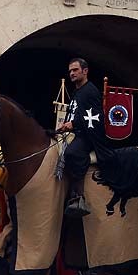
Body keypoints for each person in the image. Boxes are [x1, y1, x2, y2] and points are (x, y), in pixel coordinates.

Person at [56, 57, 106, 217]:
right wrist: (63, 127)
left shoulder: (90, 91)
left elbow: (96, 117)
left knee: (72, 153)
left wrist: (74, 124)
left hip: (88, 136)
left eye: (75, 70)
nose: (71, 73)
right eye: (70, 70)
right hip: (75, 133)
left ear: (85, 71)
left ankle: (78, 197)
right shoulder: (77, 92)